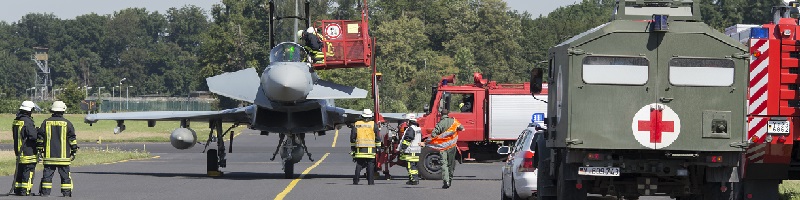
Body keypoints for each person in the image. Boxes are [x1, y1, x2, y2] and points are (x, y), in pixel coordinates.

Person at [37, 101, 78, 197]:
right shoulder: (67, 123)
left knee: (47, 177)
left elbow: (40, 138)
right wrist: (74, 151)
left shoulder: (45, 122)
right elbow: (72, 139)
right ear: (63, 111)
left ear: (52, 110)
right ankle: (66, 194)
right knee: (65, 177)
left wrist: (39, 150)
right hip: (63, 158)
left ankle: (45, 193)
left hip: (49, 157)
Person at [422, 109, 464, 189]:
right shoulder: (454, 121)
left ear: (441, 114)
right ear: (448, 114)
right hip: (452, 146)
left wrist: (429, 141)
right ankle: (450, 180)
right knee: (451, 165)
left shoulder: (440, 123)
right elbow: (462, 128)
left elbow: (434, 134)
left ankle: (446, 181)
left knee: (444, 164)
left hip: (443, 147)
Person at [11, 101, 38, 196]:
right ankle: (25, 191)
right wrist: (38, 131)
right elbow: (33, 136)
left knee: (20, 171)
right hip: (28, 151)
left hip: (19, 151)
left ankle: (18, 189)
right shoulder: (27, 121)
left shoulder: (17, 120)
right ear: (29, 110)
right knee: (28, 170)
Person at [350, 109, 380, 185]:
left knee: (359, 164)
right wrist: (378, 148)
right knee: (370, 165)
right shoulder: (373, 124)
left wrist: (353, 148)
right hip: (371, 150)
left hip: (360, 149)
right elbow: (377, 137)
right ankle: (370, 182)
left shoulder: (356, 124)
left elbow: (353, 137)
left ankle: (356, 181)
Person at [398, 113, 422, 185]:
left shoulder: (411, 129)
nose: (406, 122)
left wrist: (403, 147)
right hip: (417, 150)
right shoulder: (418, 128)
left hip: (411, 150)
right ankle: (414, 179)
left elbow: (408, 139)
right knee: (414, 166)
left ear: (410, 121)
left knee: (410, 166)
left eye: (407, 120)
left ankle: (413, 180)